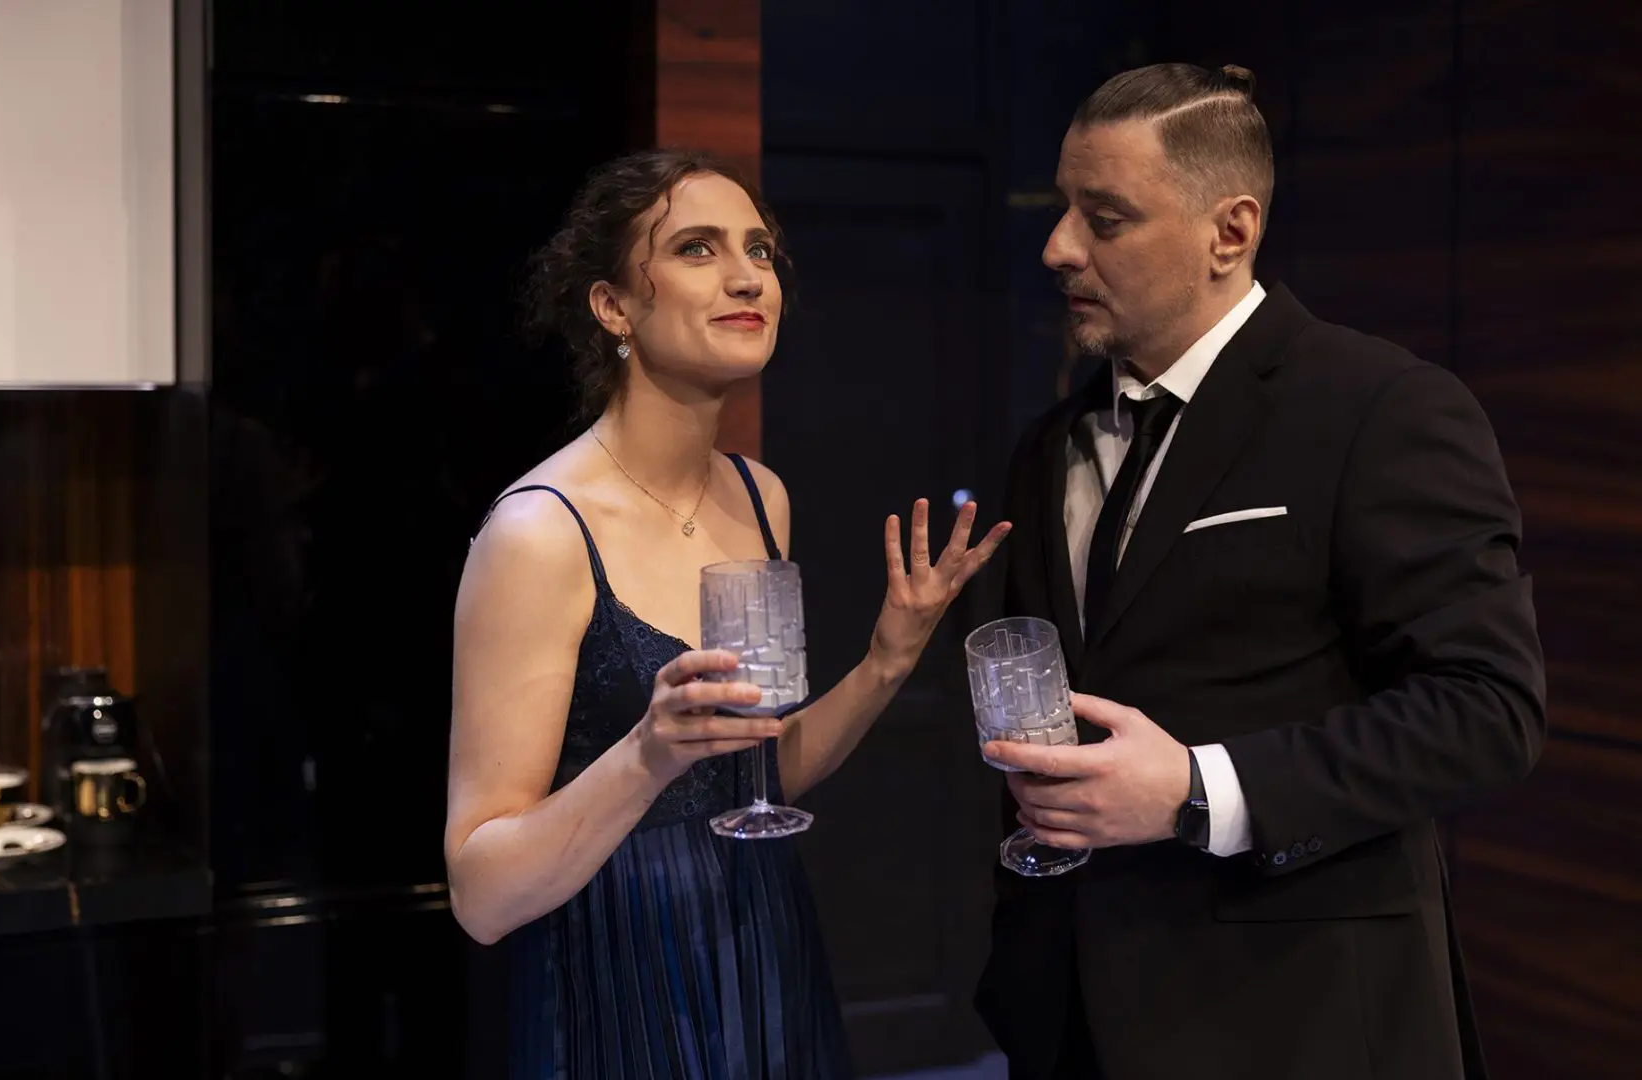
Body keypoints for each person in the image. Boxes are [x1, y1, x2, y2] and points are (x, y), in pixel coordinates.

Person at [976, 63, 1546, 1080]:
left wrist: (1197, 791)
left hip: (1296, 1016)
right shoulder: (1047, 443)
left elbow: (1486, 710)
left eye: (1104, 218)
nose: (1059, 246)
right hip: (1069, 1016)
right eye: (1063, 208)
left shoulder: (1380, 407)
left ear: (1229, 233)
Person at [444, 148, 1009, 1080]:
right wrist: (644, 754)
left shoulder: (759, 496)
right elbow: (480, 892)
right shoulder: (539, 533)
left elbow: (760, 777)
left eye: (759, 250)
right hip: (615, 969)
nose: (748, 277)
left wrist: (886, 659)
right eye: (696, 249)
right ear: (613, 306)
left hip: (760, 940)